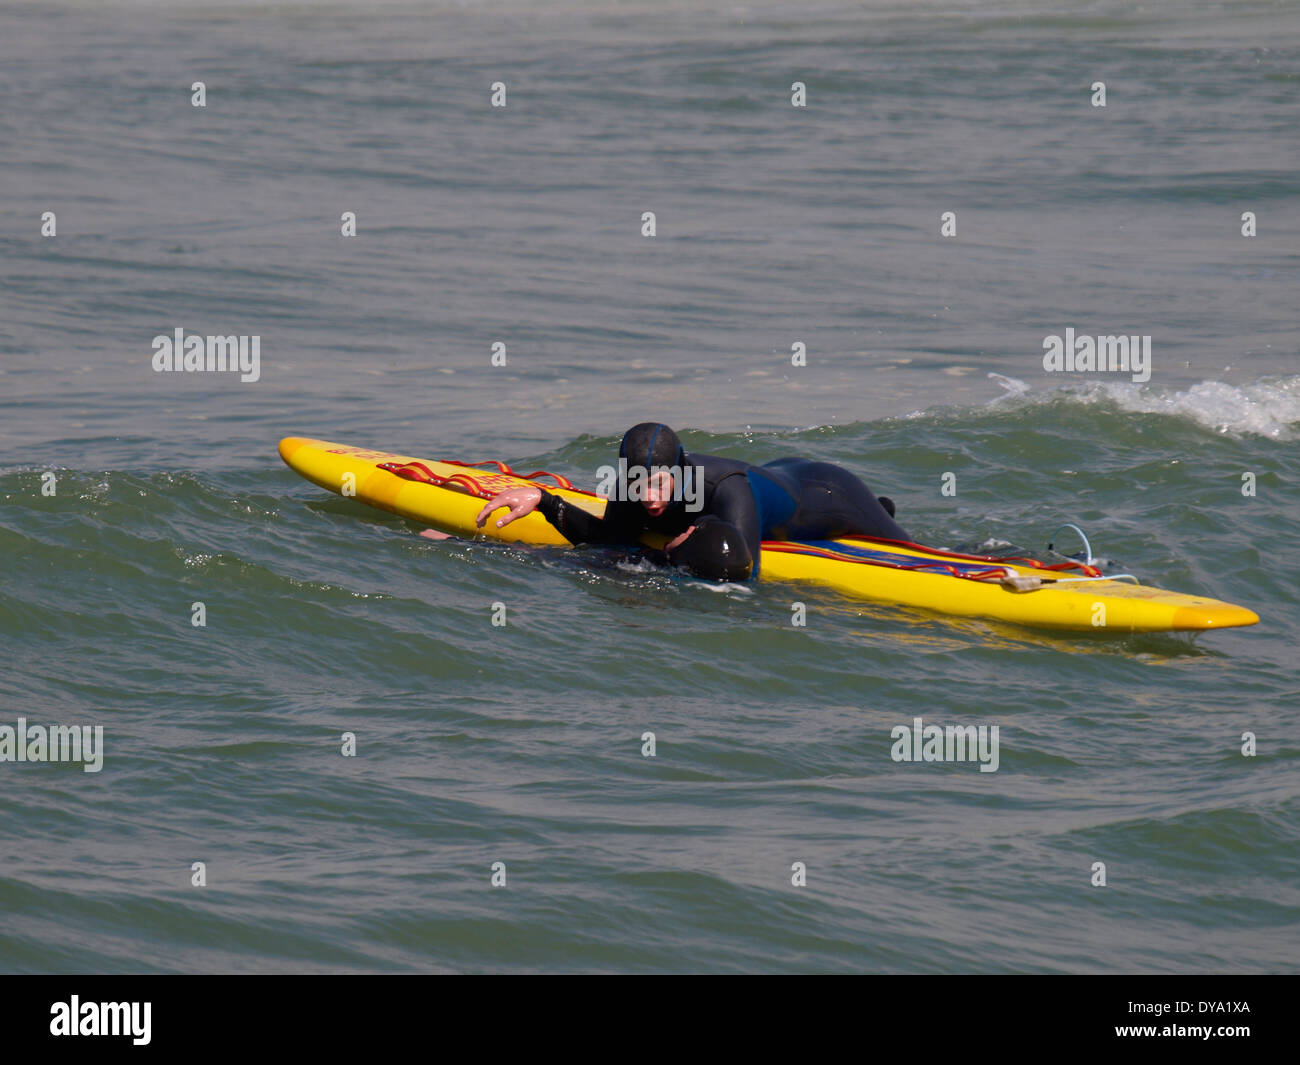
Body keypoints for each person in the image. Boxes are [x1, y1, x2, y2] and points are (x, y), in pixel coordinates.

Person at [474, 422, 908, 582]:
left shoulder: (725, 490)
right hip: (776, 471)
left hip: (828, 494)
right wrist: (544, 501)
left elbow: (741, 573)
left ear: (680, 470)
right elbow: (607, 540)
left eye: (661, 483)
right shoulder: (637, 486)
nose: (650, 499)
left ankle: (883, 513)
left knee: (904, 543)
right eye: (638, 483)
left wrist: (668, 558)